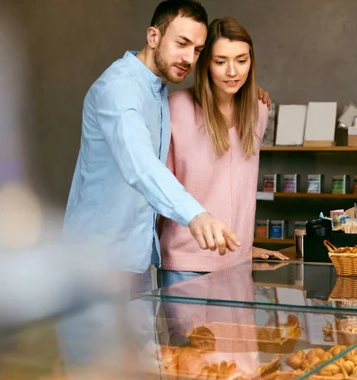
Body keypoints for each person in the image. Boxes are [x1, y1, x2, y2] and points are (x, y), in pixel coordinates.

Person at [63, 0, 242, 295]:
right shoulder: (119, 89)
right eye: (182, 43)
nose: (189, 58)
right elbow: (140, 164)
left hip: (136, 260)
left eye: (197, 50)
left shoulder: (156, 88)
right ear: (153, 37)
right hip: (98, 265)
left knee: (144, 343)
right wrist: (196, 215)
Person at [159, 17, 288, 287]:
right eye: (221, 61)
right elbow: (163, 191)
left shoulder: (259, 111)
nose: (232, 71)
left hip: (237, 264)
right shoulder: (174, 110)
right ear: (205, 63)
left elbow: (235, 190)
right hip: (187, 264)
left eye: (241, 60)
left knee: (238, 332)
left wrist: (244, 248)